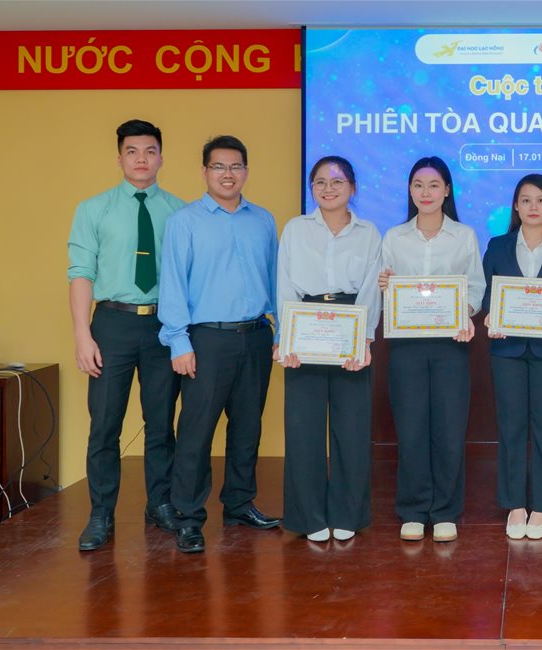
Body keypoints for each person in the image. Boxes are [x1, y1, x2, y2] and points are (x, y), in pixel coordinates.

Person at [158, 135, 281, 553]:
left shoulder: (262, 220)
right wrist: (178, 341)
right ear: (204, 171)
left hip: (256, 335)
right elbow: (173, 283)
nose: (228, 174)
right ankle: (189, 517)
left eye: (235, 166)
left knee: (247, 427)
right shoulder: (185, 222)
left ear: (246, 171)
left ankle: (240, 504)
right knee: (196, 431)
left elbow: (275, 279)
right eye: (218, 166)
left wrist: (281, 331)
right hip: (206, 339)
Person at [68, 119, 186, 551]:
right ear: (119, 158)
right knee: (104, 424)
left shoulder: (180, 212)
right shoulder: (93, 209)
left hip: (163, 326)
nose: (141, 159)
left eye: (150, 151)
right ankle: (101, 513)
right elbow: (80, 274)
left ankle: (160, 503)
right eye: (132, 151)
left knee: (161, 423)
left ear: (161, 158)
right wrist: (83, 335)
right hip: (111, 325)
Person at [378, 156, 485, 543]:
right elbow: (384, 288)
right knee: (411, 428)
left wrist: (464, 313)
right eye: (418, 185)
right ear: (410, 190)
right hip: (406, 345)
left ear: (447, 190)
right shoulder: (393, 237)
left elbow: (475, 286)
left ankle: (444, 511)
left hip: (450, 346)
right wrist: (385, 284)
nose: (426, 192)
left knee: (449, 429)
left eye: (434, 185)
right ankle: (412, 509)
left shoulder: (464, 236)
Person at [276, 156, 381, 543]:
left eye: (337, 181)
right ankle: (308, 516)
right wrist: (286, 339)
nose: (328, 188)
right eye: (320, 182)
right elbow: (284, 284)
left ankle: (348, 512)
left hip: (350, 329)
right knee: (302, 429)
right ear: (311, 189)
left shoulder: (369, 233)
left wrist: (364, 339)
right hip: (305, 328)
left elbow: (371, 287)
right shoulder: (296, 229)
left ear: (353, 187)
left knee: (351, 430)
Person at [482, 174, 542, 540]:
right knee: (510, 427)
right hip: (506, 348)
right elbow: (489, 294)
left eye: (540, 200)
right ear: (516, 206)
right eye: (526, 200)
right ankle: (514, 504)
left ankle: (541, 505)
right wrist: (491, 316)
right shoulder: (498, 245)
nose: (533, 206)